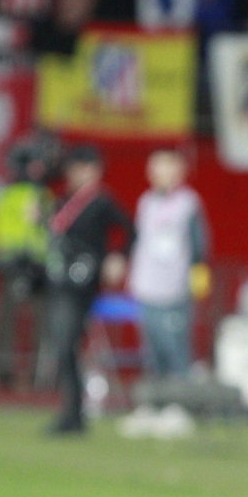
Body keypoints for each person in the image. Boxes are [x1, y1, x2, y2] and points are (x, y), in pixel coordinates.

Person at [44, 146, 134, 434]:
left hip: (83, 282)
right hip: (61, 278)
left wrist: (117, 257)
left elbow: (130, 230)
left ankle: (74, 414)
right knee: (62, 345)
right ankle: (71, 413)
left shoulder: (100, 201)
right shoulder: (65, 199)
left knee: (66, 342)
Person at [127, 149, 209, 380]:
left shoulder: (188, 203)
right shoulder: (146, 202)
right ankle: (156, 395)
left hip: (176, 289)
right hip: (146, 287)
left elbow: (199, 246)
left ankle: (180, 394)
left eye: (166, 167)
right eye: (155, 167)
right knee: (152, 348)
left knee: (176, 346)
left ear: (179, 171)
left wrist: (198, 284)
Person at [0, 144, 52, 390]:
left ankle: (26, 371)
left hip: (28, 265)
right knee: (21, 322)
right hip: (22, 265)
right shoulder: (28, 195)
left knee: (23, 322)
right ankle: (23, 372)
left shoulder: (16, 195)